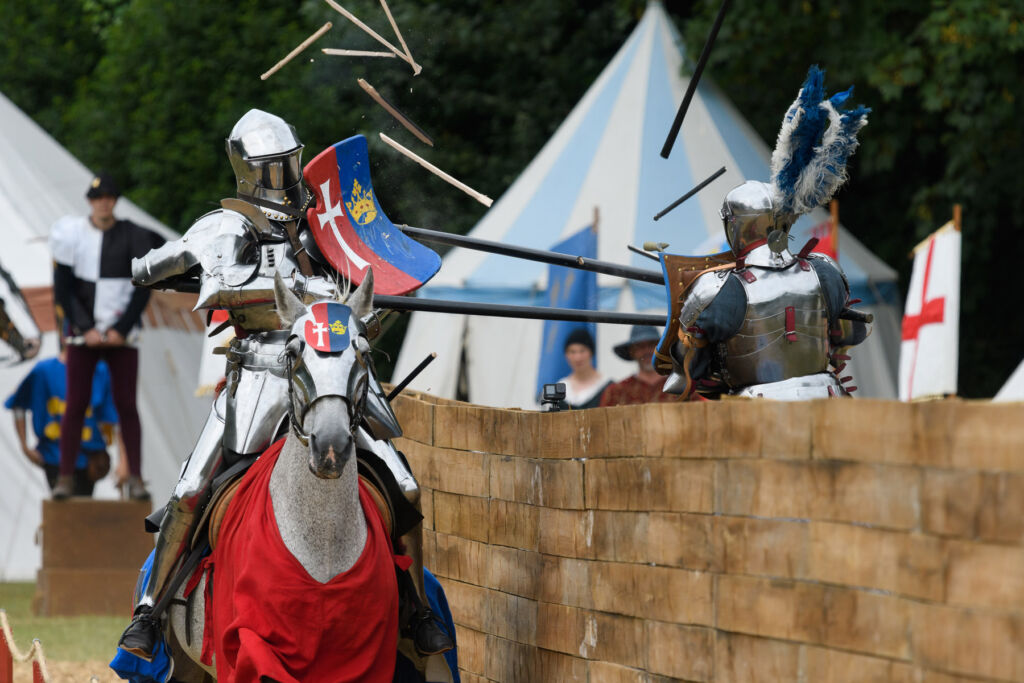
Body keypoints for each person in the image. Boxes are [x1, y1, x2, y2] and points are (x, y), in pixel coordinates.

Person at [118, 109, 452, 662]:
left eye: (289, 163)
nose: (284, 177)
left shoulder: (320, 222)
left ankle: (416, 608)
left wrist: (376, 281)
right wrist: (290, 281)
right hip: (261, 374)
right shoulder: (229, 226)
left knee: (403, 484)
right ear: (246, 169)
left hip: (330, 369)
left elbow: (359, 292)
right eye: (271, 168)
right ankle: (150, 612)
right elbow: (213, 286)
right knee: (191, 488)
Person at [659, 67, 871, 400]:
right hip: (827, 400)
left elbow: (684, 374)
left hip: (758, 411)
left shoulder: (718, 289)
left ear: (737, 226)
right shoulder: (823, 269)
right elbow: (855, 331)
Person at [48, 172, 165, 500]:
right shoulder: (72, 236)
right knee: (75, 404)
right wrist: (86, 329)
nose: (103, 203)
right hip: (84, 338)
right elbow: (64, 291)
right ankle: (66, 478)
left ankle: (137, 478)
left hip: (120, 337)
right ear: (90, 201)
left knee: (127, 404)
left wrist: (121, 329)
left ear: (114, 201)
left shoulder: (134, 235)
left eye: (109, 198)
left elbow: (143, 288)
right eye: (98, 198)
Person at [5, 351, 118, 496]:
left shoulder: (100, 370)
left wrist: (121, 459)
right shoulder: (44, 369)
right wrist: (24, 446)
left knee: (81, 509)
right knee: (65, 510)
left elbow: (116, 416)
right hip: (54, 456)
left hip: (88, 458)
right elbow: (18, 403)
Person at [599, 325, 677, 406]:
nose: (647, 351)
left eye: (651, 344)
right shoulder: (616, 393)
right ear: (632, 351)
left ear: (662, 348)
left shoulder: (681, 389)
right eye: (640, 346)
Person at [554, 328, 611, 409]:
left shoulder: (608, 387)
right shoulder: (559, 389)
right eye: (573, 352)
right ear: (566, 355)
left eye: (582, 351)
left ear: (591, 353)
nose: (578, 358)